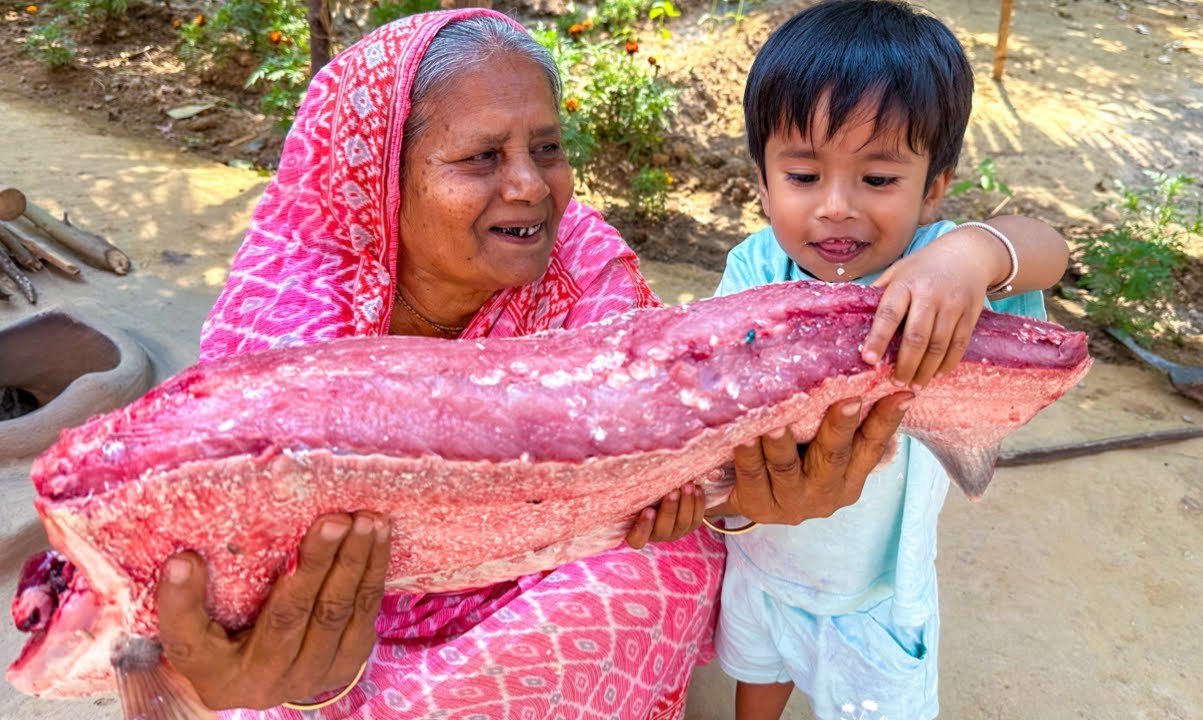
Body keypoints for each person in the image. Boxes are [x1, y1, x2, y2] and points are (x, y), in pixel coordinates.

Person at [151, 8, 911, 719]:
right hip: (340, 615)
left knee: (662, 564)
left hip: (535, 579)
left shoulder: (584, 269)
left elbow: (667, 454)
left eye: (546, 149)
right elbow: (229, 562)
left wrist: (742, 498)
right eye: (482, 157)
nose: (529, 186)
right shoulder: (289, 316)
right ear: (381, 179)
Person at [709, 2, 1071, 719]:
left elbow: (1048, 249)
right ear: (761, 180)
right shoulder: (754, 267)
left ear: (933, 186)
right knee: (760, 669)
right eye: (804, 176)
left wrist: (970, 253)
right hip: (762, 559)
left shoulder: (937, 280)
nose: (836, 208)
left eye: (878, 180)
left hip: (876, 594)